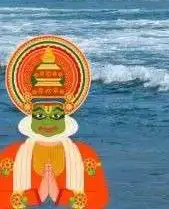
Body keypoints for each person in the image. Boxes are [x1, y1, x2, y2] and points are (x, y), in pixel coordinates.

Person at [0, 36, 108, 208]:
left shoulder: (84, 155)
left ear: (67, 115)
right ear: (30, 113)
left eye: (57, 116)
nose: (48, 122)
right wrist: (37, 195)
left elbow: (99, 198)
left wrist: (59, 195)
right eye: (41, 116)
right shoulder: (11, 156)